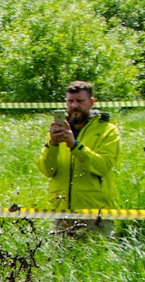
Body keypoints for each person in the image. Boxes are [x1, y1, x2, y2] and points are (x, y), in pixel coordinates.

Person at [39, 81, 120, 231]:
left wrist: (75, 146)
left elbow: (102, 167)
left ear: (91, 102)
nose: (74, 106)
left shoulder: (108, 131)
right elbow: (47, 170)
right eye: (70, 101)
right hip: (62, 213)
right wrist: (53, 145)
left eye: (80, 101)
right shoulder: (58, 129)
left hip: (95, 213)